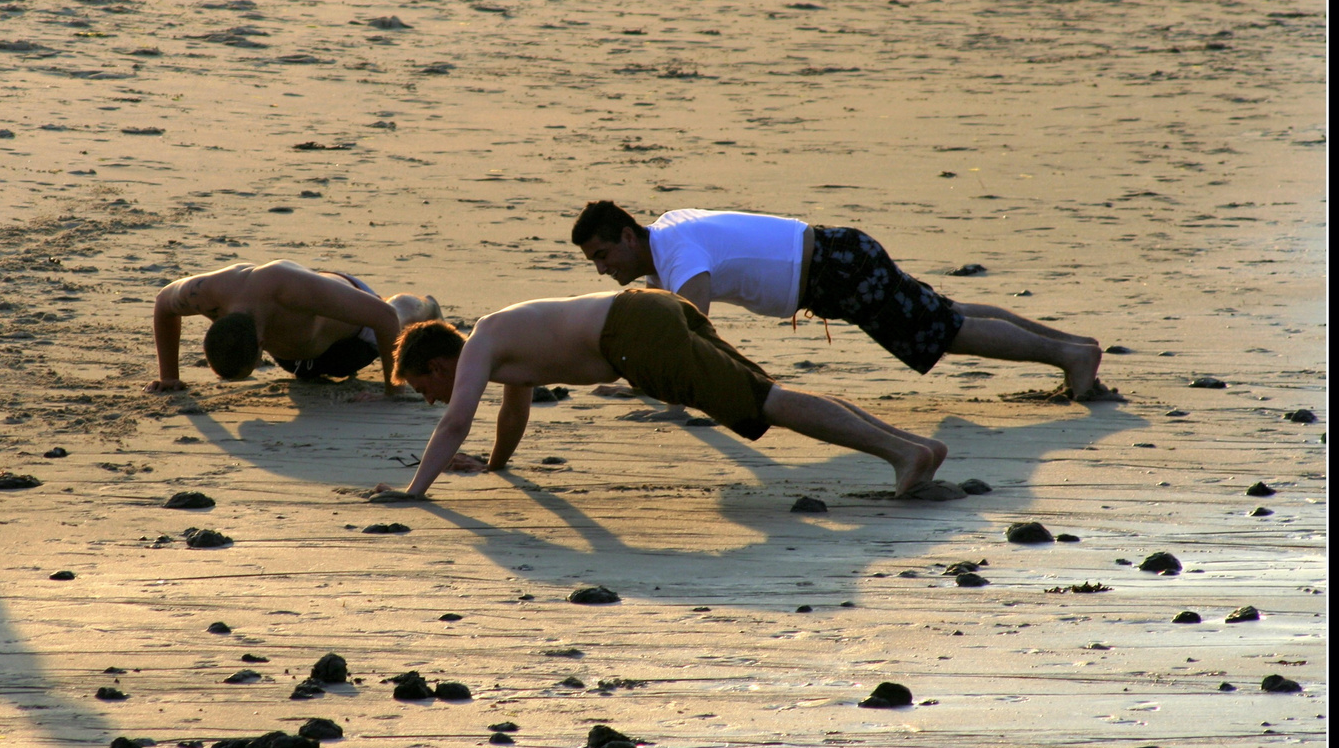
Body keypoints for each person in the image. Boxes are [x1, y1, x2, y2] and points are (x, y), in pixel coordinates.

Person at [368, 289, 947, 502]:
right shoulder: (501, 349)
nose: (430, 402)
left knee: (762, 401)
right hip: (649, 310)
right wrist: (496, 469)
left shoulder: (480, 347)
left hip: (634, 333)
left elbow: (456, 424)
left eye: (424, 389)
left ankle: (902, 455)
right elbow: (513, 410)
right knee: (766, 391)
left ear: (440, 363)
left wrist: (414, 491)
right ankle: (914, 446)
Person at [571, 201, 1116, 400]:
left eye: (602, 254)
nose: (603, 268)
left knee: (943, 330)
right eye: (593, 262)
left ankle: (1069, 357)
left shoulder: (677, 252)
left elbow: (687, 325)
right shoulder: (667, 232)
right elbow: (667, 303)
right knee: (944, 315)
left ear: (626, 235)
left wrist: (658, 382)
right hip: (837, 255)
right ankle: (1073, 346)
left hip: (834, 269)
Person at [145, 260, 441, 396]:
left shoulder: (290, 289)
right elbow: (163, 303)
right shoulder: (206, 293)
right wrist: (169, 377)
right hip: (301, 355)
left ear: (261, 343)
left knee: (398, 312)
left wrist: (394, 391)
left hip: (351, 342)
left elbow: (384, 317)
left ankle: (425, 304)